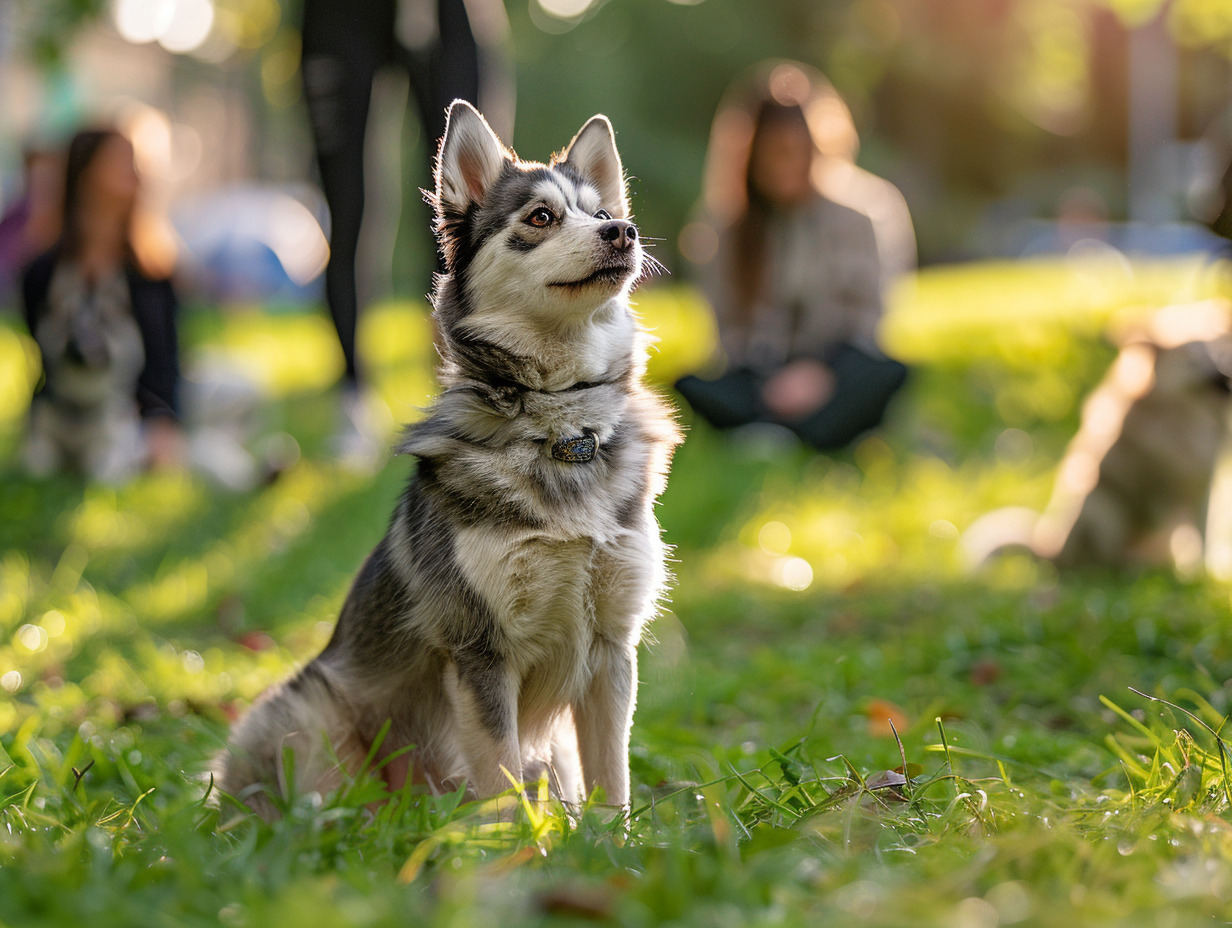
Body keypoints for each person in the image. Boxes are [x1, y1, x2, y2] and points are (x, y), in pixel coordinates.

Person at [300, 0, 512, 467]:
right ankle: (352, 396)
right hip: (341, 17)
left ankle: (460, 386)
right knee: (346, 208)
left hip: (446, 11)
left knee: (468, 201)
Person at [676, 61, 910, 452]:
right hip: (762, 376)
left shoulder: (864, 212)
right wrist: (775, 380)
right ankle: (798, 431)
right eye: (773, 154)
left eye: (795, 152)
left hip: (837, 369)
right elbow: (725, 328)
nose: (785, 166)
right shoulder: (722, 226)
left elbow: (873, 318)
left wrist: (819, 374)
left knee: (888, 373)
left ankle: (776, 434)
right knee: (689, 385)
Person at [21, 128, 184, 482]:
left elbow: (166, 361)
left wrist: (161, 419)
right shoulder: (43, 271)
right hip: (67, 412)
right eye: (122, 161)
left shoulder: (150, 271)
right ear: (86, 170)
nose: (135, 172)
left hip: (132, 415)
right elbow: (42, 354)